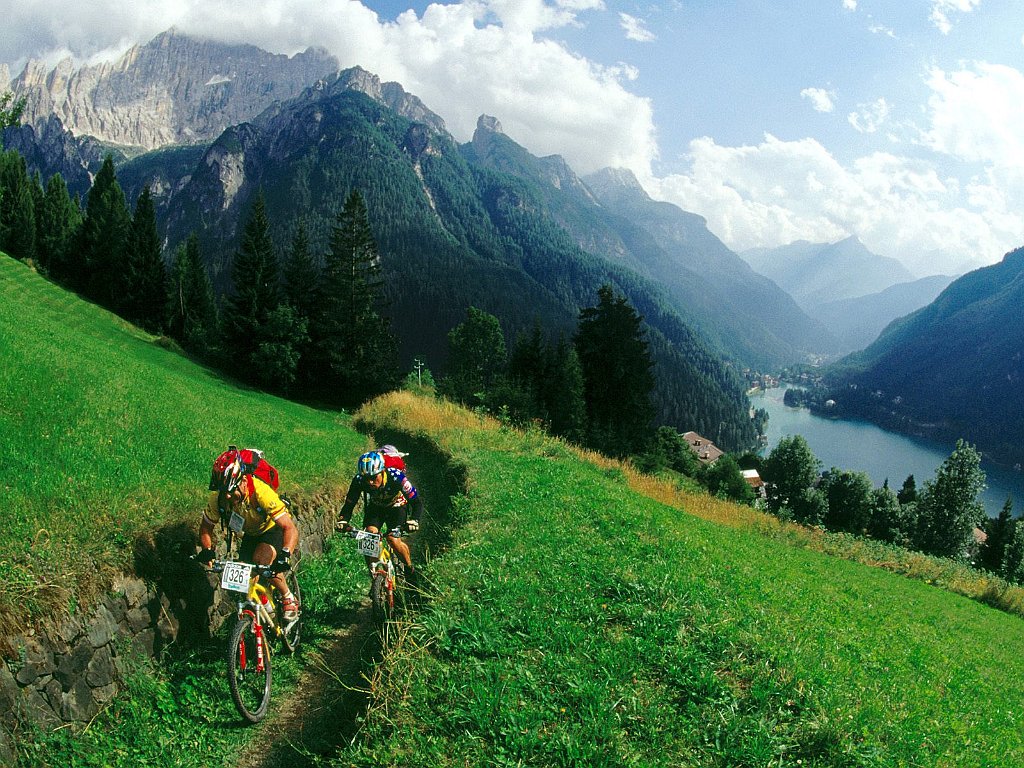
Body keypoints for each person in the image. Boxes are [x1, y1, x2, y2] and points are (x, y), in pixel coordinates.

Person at [195, 450, 301, 620]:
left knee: (261, 560)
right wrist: (207, 550)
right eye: (224, 492)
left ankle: (288, 597)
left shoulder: (261, 493)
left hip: (272, 530)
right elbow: (205, 528)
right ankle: (266, 612)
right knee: (244, 580)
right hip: (251, 534)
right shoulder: (219, 498)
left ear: (243, 481)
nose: (228, 496)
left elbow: (290, 528)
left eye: (231, 490)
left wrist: (286, 554)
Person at [337, 451, 422, 584]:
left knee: (393, 539)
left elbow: (416, 502)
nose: (370, 482)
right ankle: (376, 577)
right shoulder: (359, 480)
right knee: (368, 536)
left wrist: (414, 520)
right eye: (366, 478)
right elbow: (349, 503)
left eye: (374, 477)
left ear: (382, 472)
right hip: (376, 508)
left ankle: (410, 570)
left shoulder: (396, 477)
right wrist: (343, 519)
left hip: (397, 506)